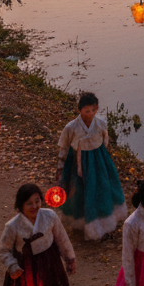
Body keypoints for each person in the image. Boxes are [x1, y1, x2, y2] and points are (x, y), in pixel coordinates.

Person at [56, 92, 128, 240]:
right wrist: (60, 165)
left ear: (97, 109)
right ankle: (80, 222)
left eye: (93, 110)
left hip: (98, 161)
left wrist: (103, 159)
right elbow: (64, 146)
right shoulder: (72, 127)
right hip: (77, 162)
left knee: (101, 188)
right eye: (87, 111)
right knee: (79, 191)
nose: (90, 114)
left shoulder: (101, 124)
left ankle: (102, 223)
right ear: (80, 110)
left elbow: (104, 141)